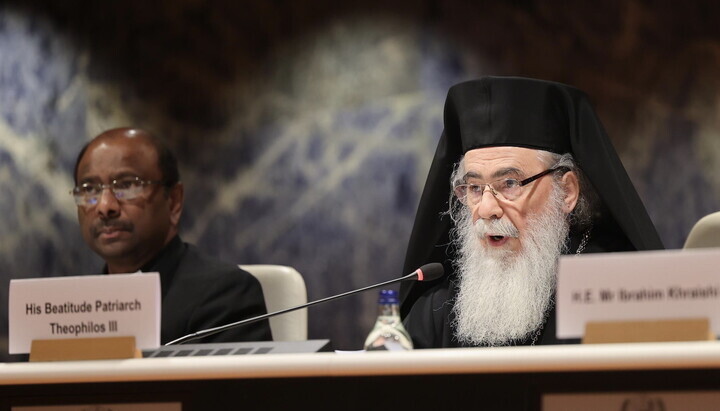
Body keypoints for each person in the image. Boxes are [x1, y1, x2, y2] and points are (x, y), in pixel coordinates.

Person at [400, 77, 664, 348]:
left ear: (568, 192)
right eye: (475, 188)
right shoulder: (437, 310)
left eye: (510, 184)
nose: (487, 209)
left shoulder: (621, 292)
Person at [72, 127, 272, 344]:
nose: (105, 206)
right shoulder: (70, 309)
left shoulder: (226, 296)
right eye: (89, 190)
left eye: (127, 185)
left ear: (174, 201)